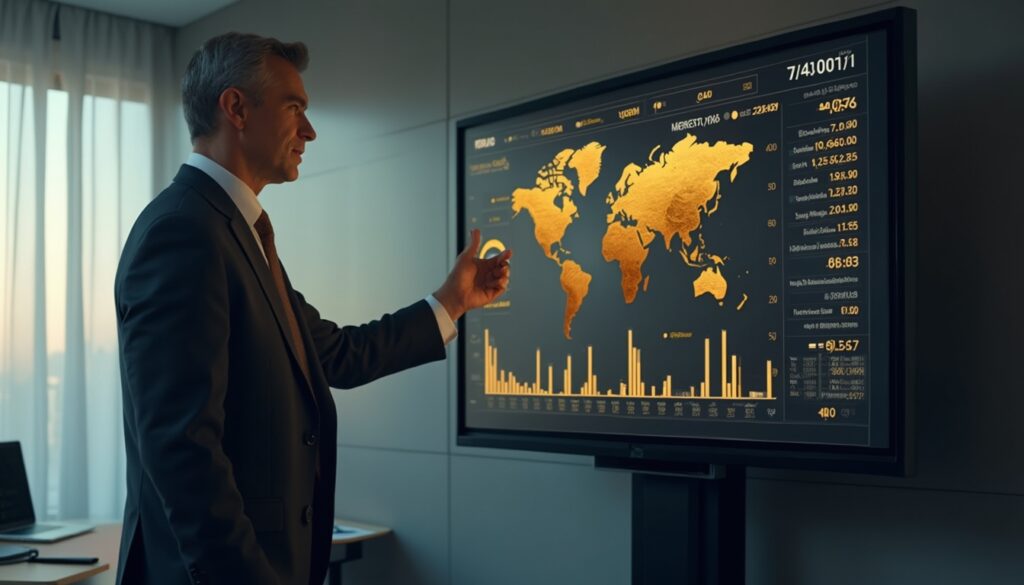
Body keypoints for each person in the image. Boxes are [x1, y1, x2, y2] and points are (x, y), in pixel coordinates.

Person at [113, 33, 510, 585]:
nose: (310, 130)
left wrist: (452, 300)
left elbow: (337, 354)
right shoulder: (185, 233)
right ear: (236, 108)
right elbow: (183, 451)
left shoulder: (236, 234)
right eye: (294, 107)